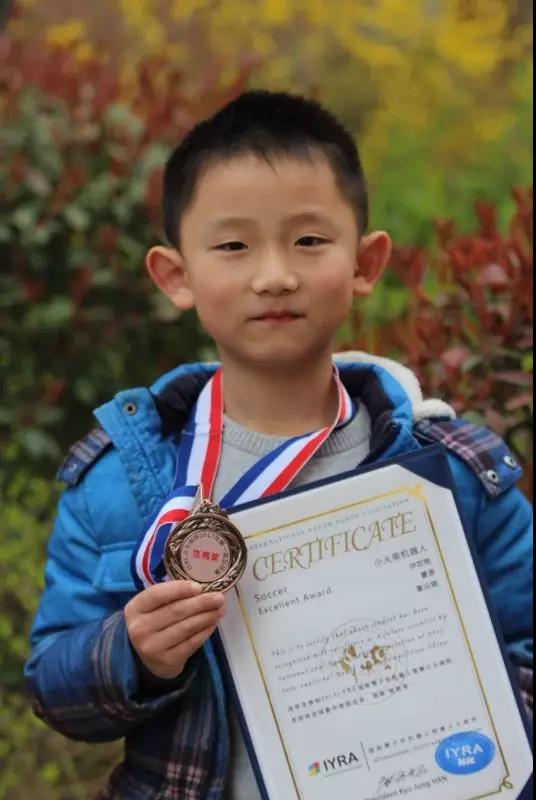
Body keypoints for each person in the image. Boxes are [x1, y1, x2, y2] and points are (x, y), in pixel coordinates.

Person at [24, 90, 533, 800]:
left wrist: (482, 720)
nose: (274, 276)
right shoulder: (120, 483)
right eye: (233, 246)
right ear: (176, 276)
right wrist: (131, 654)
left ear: (365, 263)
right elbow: (54, 690)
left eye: (309, 241)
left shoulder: (458, 476)